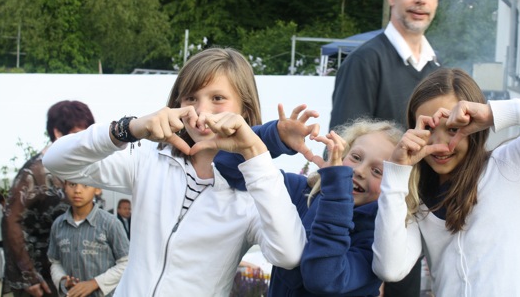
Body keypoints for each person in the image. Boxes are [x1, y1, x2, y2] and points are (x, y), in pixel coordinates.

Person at [42, 47, 317, 297]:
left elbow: (288, 254)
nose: (201, 111)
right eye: (191, 98)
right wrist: (129, 128)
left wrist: (255, 154)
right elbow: (56, 161)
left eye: (218, 98)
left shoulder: (257, 185)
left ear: (245, 109)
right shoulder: (150, 157)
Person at [372, 68, 520, 296]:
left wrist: (494, 113)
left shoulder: (517, 163)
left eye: (453, 129)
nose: (440, 145)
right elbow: (390, 269)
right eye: (428, 129)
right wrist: (397, 172)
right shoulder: (416, 196)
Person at [329, 0, 443, 296]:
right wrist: (365, 263)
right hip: (367, 243)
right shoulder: (365, 63)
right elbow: (343, 159)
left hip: (409, 231)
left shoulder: (437, 73)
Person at [218, 118, 403, 296]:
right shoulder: (304, 193)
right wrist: (275, 136)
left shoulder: (379, 239)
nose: (360, 171)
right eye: (355, 157)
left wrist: (336, 192)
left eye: (377, 171)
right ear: (342, 154)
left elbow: (322, 278)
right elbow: (231, 170)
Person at [2, 100, 95, 297]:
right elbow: (10, 222)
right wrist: (28, 276)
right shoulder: (35, 172)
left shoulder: (77, 166)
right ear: (58, 133)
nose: (84, 141)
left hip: (66, 273)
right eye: (77, 134)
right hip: (39, 279)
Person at [48, 181, 129, 297]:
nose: (77, 190)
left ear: (97, 189)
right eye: (72, 184)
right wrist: (62, 280)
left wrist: (95, 283)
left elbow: (126, 263)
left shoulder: (110, 223)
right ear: (65, 187)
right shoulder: (58, 225)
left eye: (85, 185)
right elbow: (55, 262)